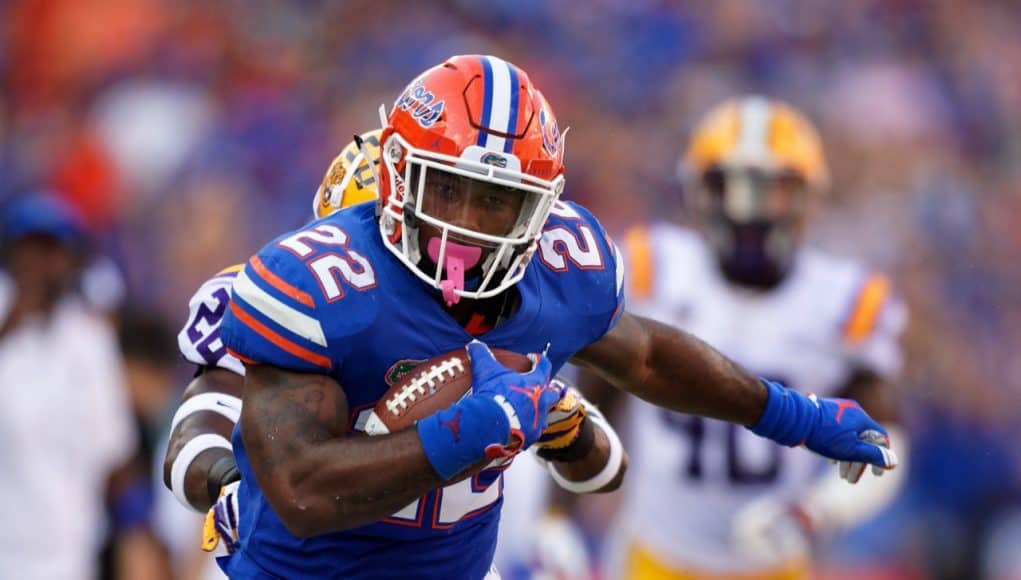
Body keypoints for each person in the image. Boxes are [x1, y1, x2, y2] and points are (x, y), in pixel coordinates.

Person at [217, 55, 898, 579]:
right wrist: (466, 433)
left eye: (497, 203)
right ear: (397, 174)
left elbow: (648, 357)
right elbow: (297, 493)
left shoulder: (558, 268)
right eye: (448, 189)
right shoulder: (322, 281)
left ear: (539, 208)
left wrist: (789, 416)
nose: (467, 226)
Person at [163, 129, 625, 566]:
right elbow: (192, 443)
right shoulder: (290, 305)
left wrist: (562, 423)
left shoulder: (495, 315)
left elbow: (605, 466)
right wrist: (235, 485)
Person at [601, 96, 909, 579]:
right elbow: (591, 396)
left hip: (772, 566)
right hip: (653, 556)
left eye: (773, 190)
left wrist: (817, 510)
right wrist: (554, 516)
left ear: (809, 198)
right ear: (697, 192)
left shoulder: (843, 302)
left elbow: (885, 442)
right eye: (730, 187)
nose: (749, 211)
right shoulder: (650, 268)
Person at [0, 193, 168, 579]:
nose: (41, 265)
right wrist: (12, 323)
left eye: (52, 251)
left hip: (68, 557)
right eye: (31, 250)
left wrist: (138, 532)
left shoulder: (88, 340)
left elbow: (114, 454)